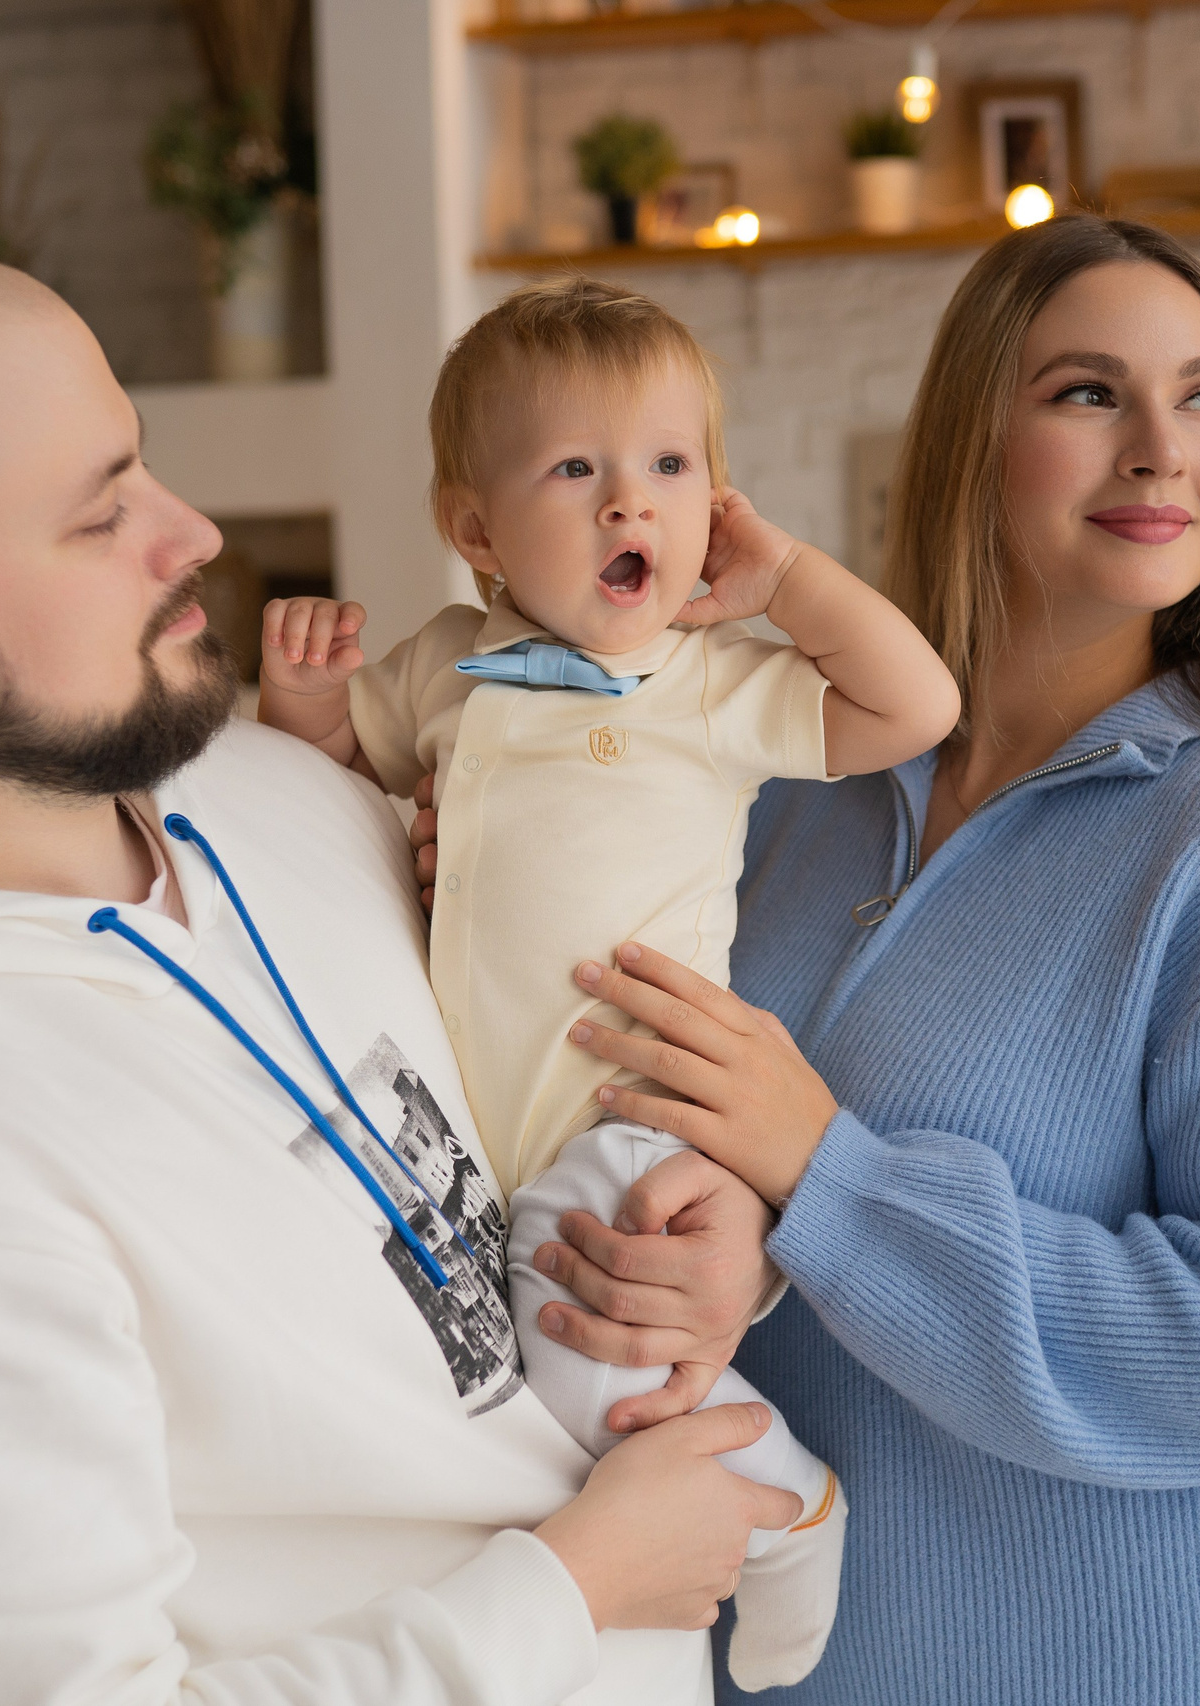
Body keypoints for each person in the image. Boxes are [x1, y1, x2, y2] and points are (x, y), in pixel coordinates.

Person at [0, 246, 803, 1706]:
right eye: (98, 511)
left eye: (145, 467)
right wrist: (573, 1589)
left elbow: (520, 1132)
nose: (190, 533)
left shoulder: (272, 790)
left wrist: (714, 1241)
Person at [490, 215, 1200, 1702]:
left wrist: (830, 1175)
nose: (1163, 450)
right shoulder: (797, 777)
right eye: (1089, 393)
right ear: (976, 435)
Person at [254, 278, 959, 1692]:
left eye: (669, 468)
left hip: (642, 1110)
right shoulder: (453, 670)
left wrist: (791, 582)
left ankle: (784, 1504)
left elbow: (914, 706)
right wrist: (304, 708)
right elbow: (337, 798)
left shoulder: (710, 680)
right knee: (524, 1360)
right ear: (475, 529)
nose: (629, 505)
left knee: (583, 1351)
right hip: (491, 1129)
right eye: (577, 470)